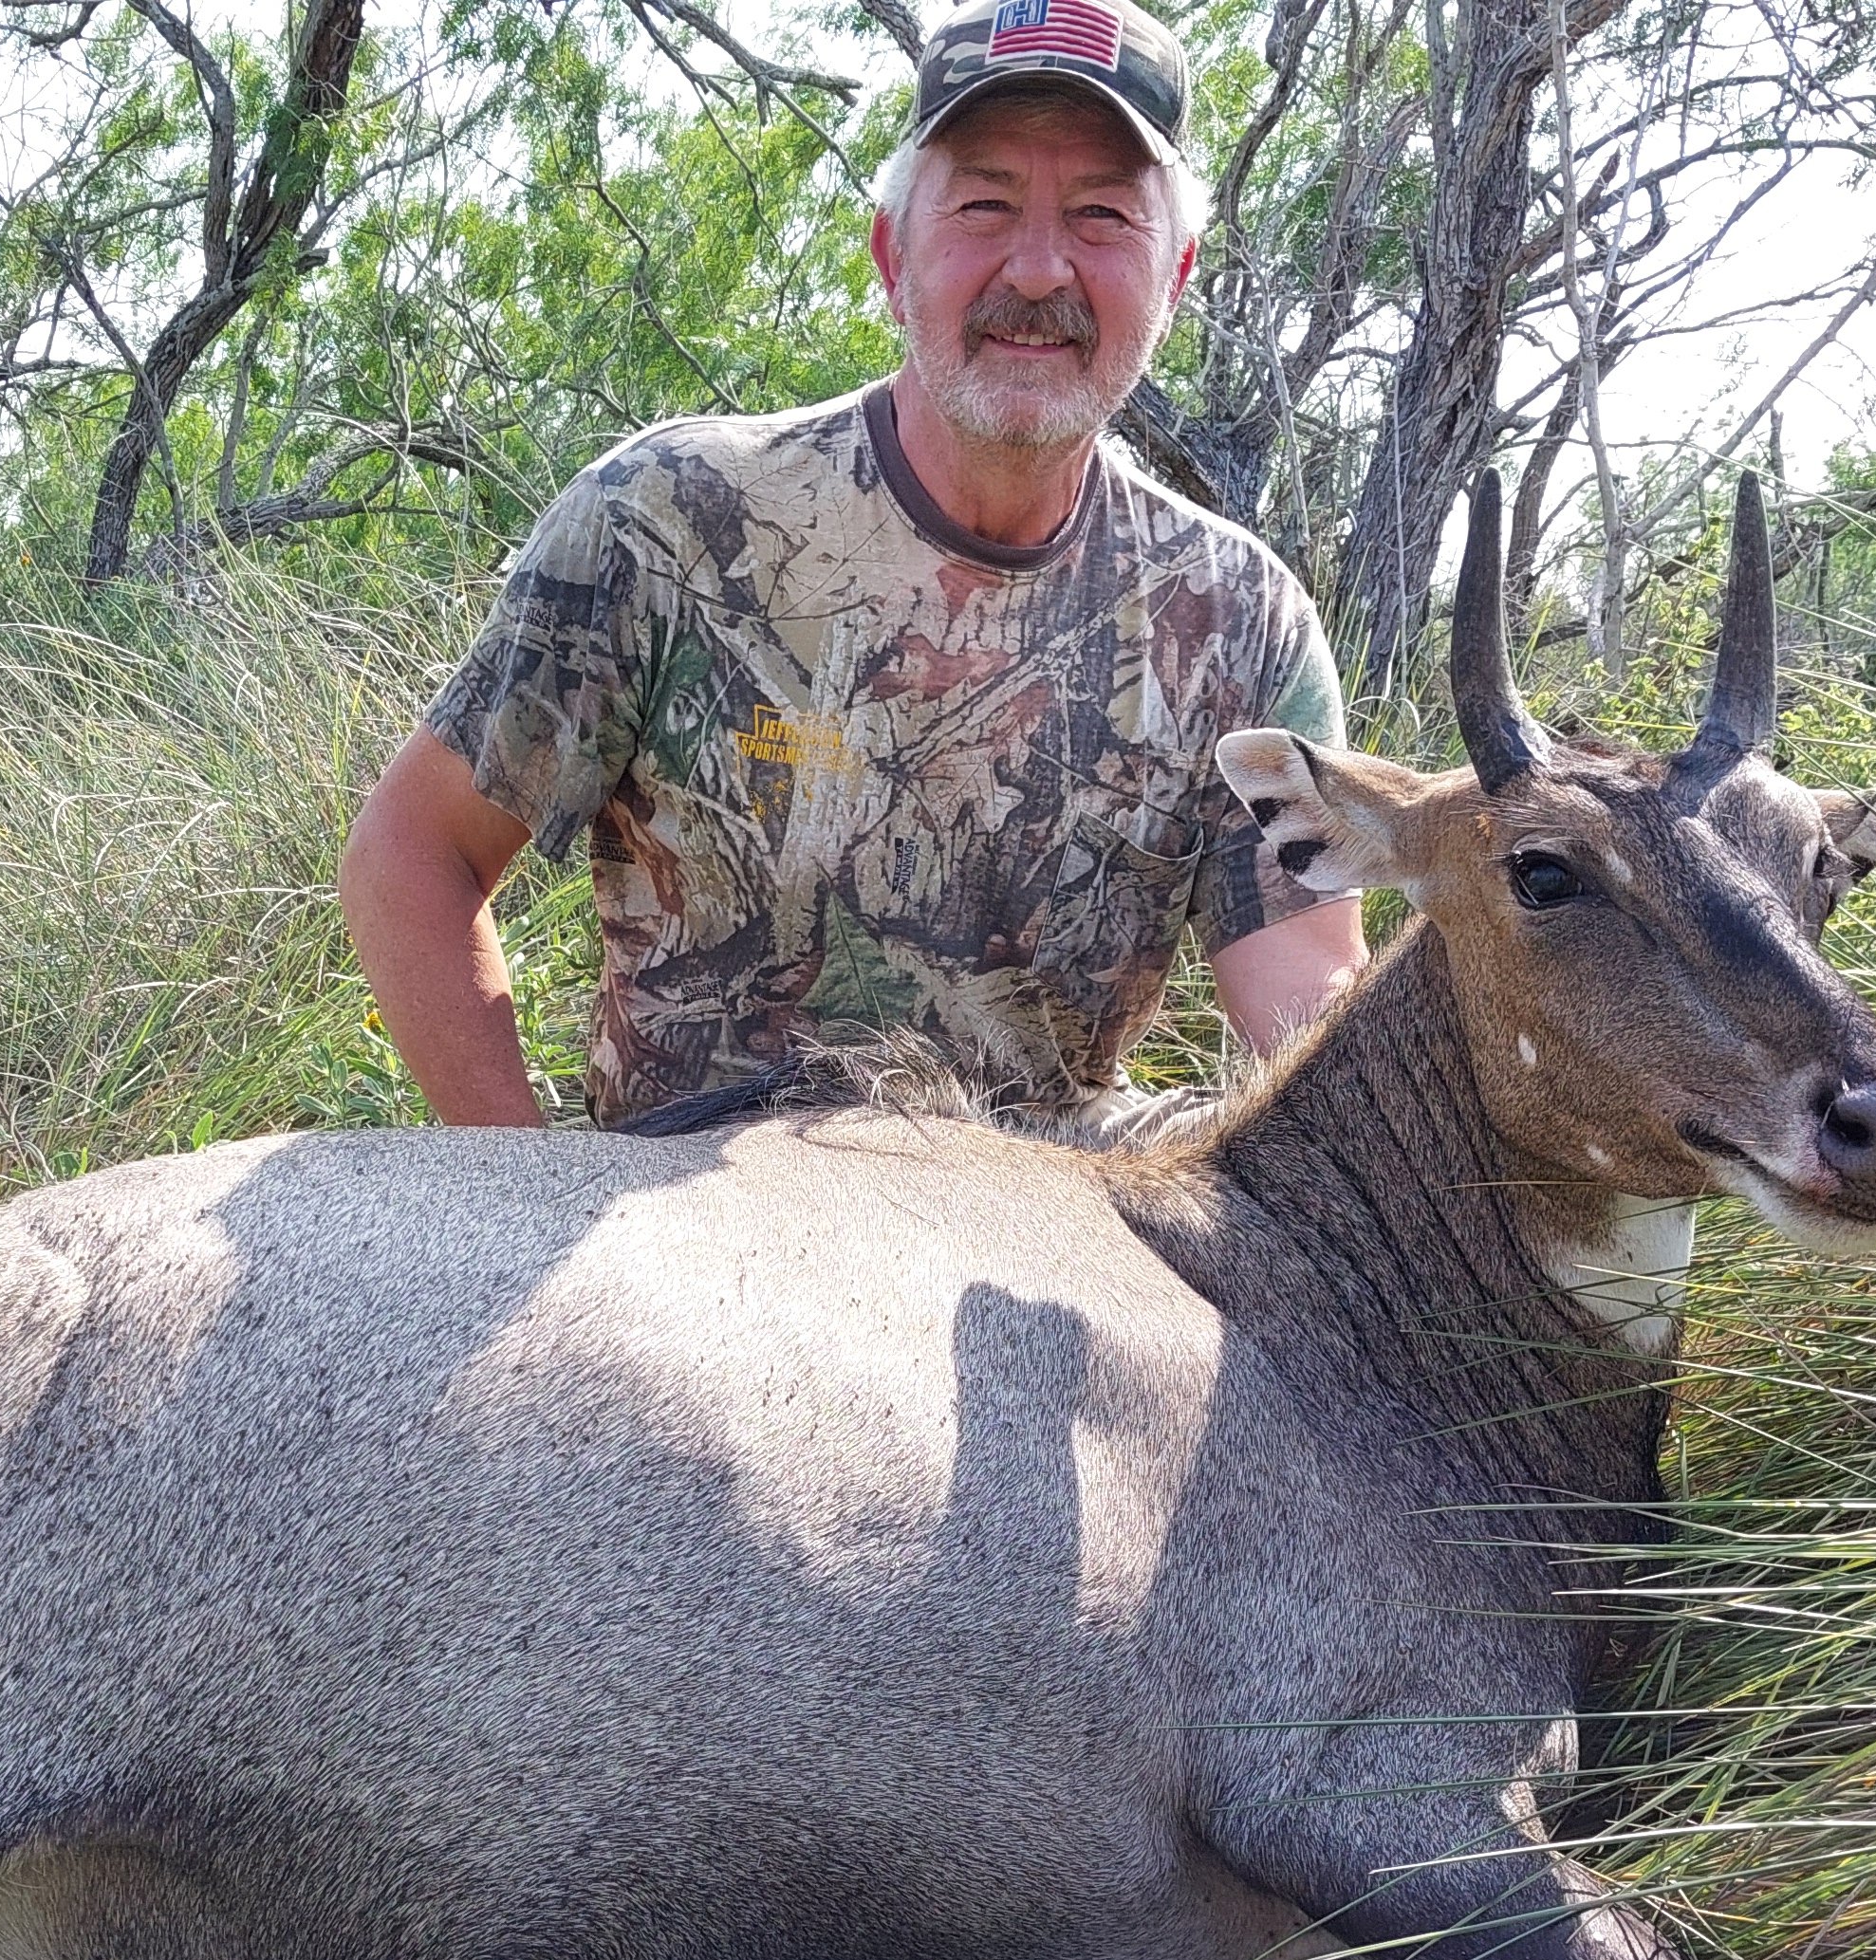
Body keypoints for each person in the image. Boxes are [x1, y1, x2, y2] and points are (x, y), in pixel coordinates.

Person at [340, 0, 1366, 1132]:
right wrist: (521, 1200)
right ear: (893, 254)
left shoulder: (1239, 617)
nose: (1037, 268)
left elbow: (1306, 1009)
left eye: (1101, 216)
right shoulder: (672, 519)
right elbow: (413, 854)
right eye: (983, 204)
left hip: (1045, 1232)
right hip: (692, 1226)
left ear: (1174, 275)